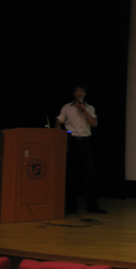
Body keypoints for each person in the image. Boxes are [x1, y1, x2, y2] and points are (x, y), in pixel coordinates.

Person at [55, 85, 107, 214]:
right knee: (71, 174)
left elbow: (94, 124)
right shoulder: (66, 107)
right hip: (71, 141)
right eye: (77, 91)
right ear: (74, 93)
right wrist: (57, 130)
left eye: (82, 91)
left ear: (85, 94)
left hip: (85, 142)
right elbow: (58, 121)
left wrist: (84, 110)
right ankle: (72, 207)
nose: (79, 93)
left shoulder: (89, 108)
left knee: (89, 174)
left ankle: (92, 206)